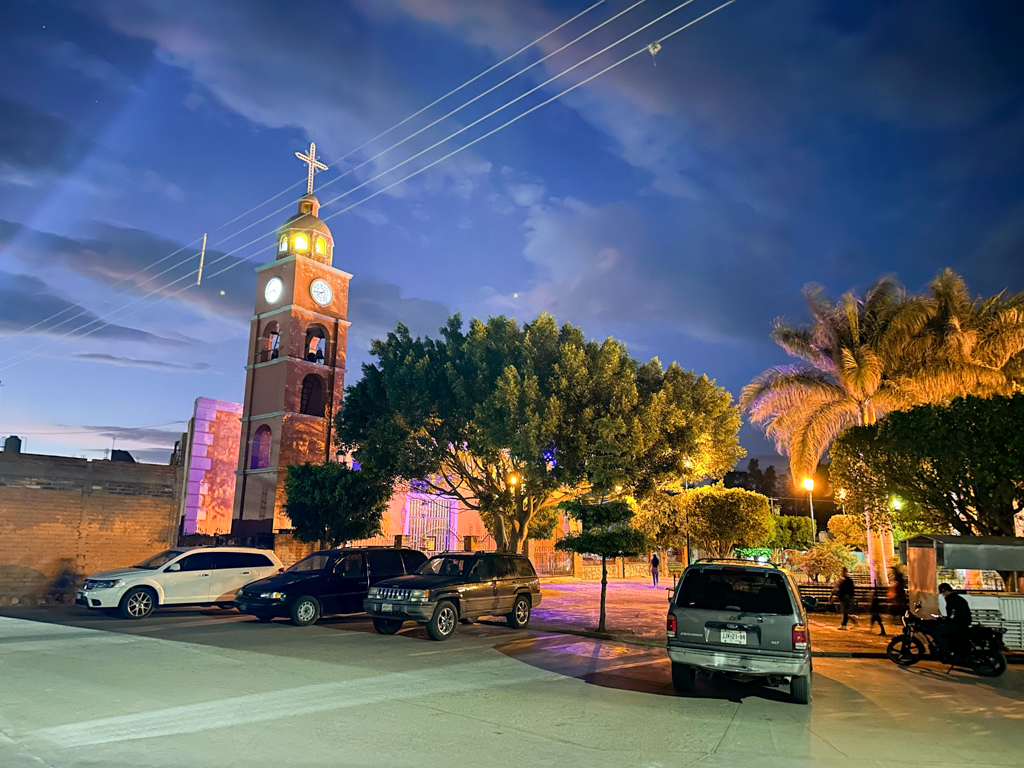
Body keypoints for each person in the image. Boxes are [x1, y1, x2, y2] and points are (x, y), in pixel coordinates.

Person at [933, 583, 972, 661]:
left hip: (958, 624)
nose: (943, 595)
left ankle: (948, 652)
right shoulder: (957, 598)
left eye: (943, 593)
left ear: (945, 591)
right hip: (963, 622)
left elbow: (952, 614)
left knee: (936, 632)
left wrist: (945, 619)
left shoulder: (952, 600)